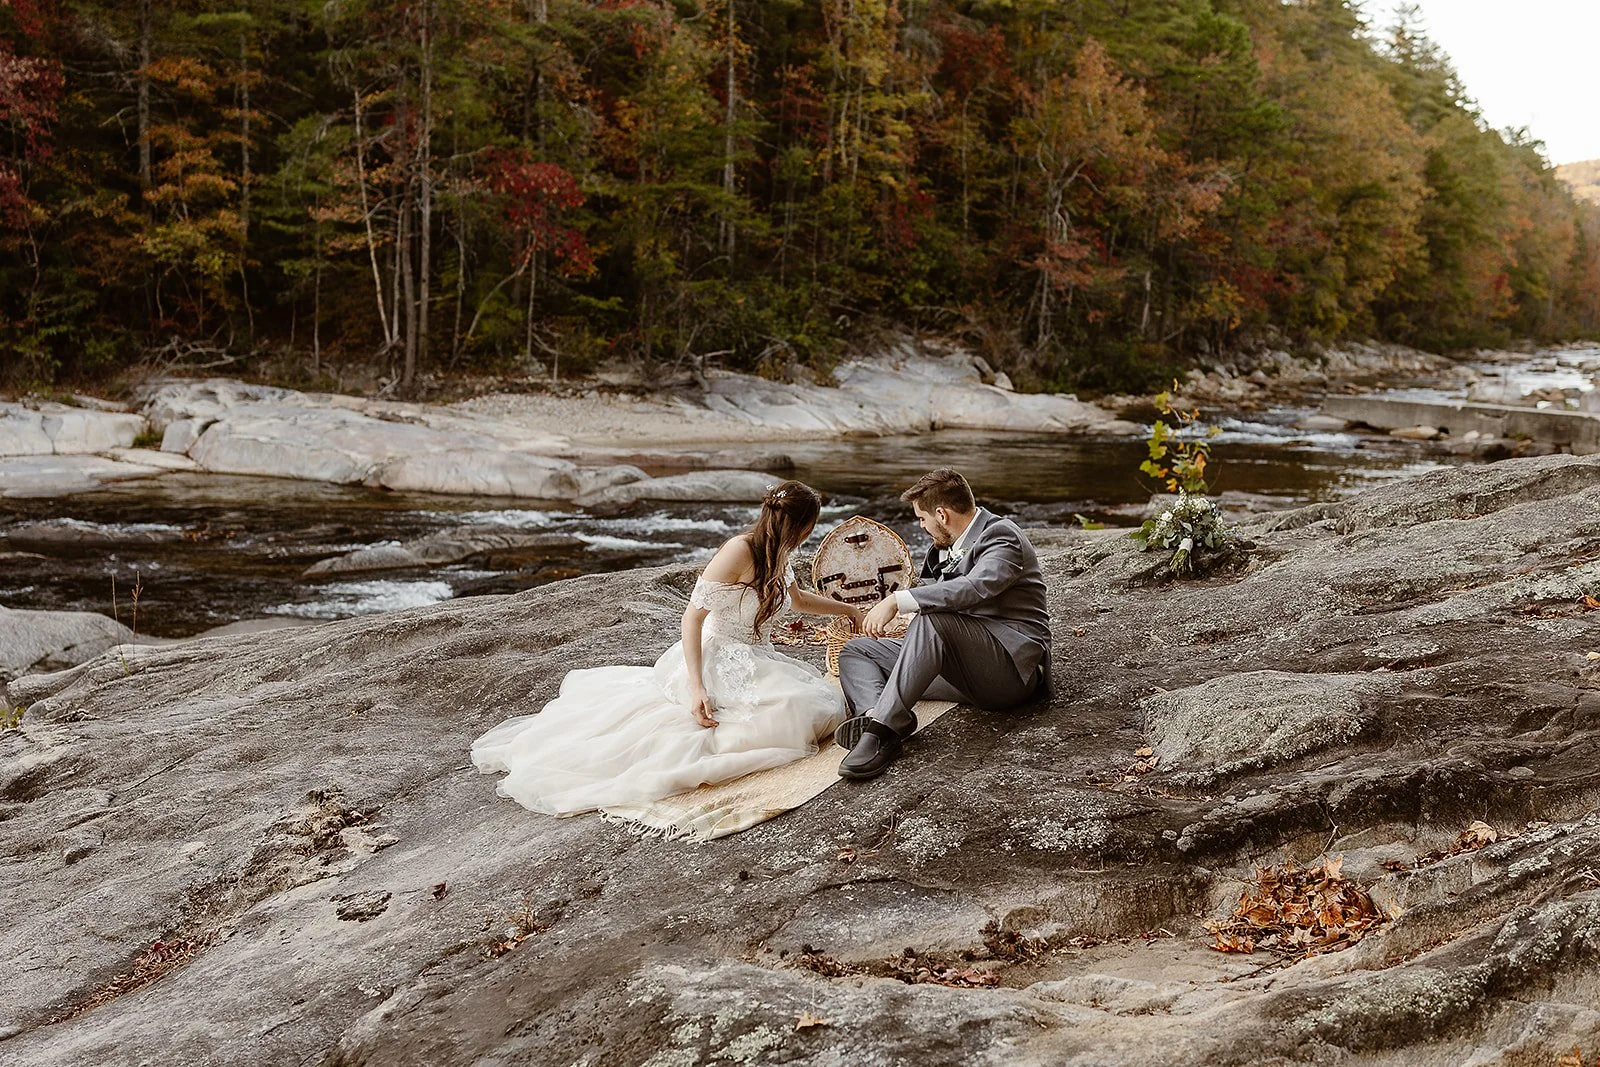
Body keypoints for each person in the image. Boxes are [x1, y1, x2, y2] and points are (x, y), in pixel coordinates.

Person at [471, 480, 862, 816]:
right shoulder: (739, 551)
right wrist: (697, 688)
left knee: (815, 706)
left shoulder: (782, 551)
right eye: (812, 522)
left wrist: (847, 608)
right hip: (718, 653)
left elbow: (797, 601)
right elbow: (692, 618)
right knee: (788, 714)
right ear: (801, 523)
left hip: (755, 653)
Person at [834, 468, 1051, 780]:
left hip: (1009, 673)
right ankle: (874, 714)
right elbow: (934, 591)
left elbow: (976, 587)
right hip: (960, 667)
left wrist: (897, 601)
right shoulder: (944, 546)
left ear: (942, 514)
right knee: (859, 650)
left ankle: (882, 734)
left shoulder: (1003, 536)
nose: (922, 527)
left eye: (922, 519)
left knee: (932, 620)